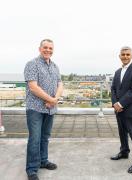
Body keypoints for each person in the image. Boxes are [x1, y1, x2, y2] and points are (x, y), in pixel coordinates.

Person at [24, 39, 63, 180]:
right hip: (35, 108)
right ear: (39, 49)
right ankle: (32, 169)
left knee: (45, 137)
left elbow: (60, 84)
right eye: (45, 47)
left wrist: (54, 99)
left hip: (50, 108)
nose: (48, 50)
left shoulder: (54, 66)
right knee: (35, 139)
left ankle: (43, 161)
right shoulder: (32, 64)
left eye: (50, 48)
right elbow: (33, 87)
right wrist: (50, 99)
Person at [110, 46, 132, 173]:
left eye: (128, 54)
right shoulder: (118, 71)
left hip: (131, 110)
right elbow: (113, 88)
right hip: (119, 110)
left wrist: (120, 103)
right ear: (119, 56)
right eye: (123, 54)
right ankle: (124, 151)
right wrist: (115, 104)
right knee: (122, 133)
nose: (125, 56)